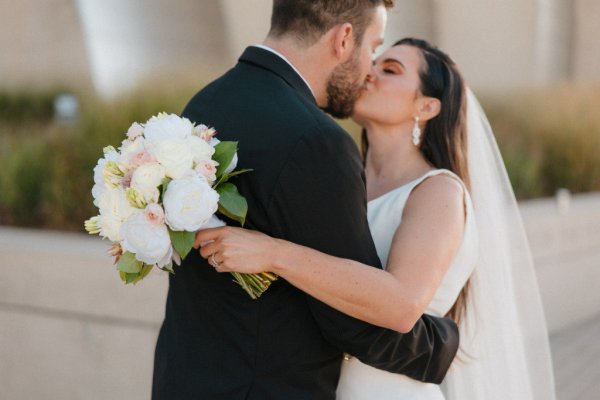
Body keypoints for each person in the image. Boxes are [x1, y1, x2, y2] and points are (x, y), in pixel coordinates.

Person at [196, 38, 556, 399]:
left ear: (427, 106)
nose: (370, 73)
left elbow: (402, 306)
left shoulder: (438, 192)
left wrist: (273, 254)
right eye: (374, 63)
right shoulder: (344, 180)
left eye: (391, 70)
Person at [151, 3, 460, 399]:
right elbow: (354, 322)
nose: (370, 70)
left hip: (184, 377)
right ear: (344, 39)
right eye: (373, 48)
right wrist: (441, 343)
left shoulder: (207, 102)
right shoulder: (316, 142)